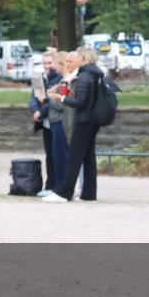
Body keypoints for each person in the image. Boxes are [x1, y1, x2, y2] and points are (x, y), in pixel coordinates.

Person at [43, 47, 104, 203]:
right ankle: (89, 194)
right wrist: (70, 95)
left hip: (83, 120)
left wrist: (61, 98)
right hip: (92, 120)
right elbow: (86, 99)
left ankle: (65, 193)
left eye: (74, 58)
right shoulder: (94, 74)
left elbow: (80, 103)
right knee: (88, 158)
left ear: (82, 59)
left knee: (74, 158)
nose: (70, 62)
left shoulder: (83, 76)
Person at [37, 51, 83, 199]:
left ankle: (61, 188)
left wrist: (50, 98)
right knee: (56, 156)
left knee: (61, 157)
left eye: (55, 63)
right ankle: (57, 187)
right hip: (55, 121)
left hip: (61, 122)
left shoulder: (67, 80)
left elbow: (63, 104)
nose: (53, 67)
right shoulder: (63, 80)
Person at [29, 49, 61, 191]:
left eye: (50, 63)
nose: (47, 66)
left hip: (55, 120)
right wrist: (35, 110)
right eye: (44, 63)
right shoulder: (39, 77)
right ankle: (49, 185)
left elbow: (52, 101)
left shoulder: (59, 78)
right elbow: (34, 97)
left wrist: (40, 113)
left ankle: (57, 185)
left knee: (57, 154)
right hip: (46, 123)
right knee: (49, 155)